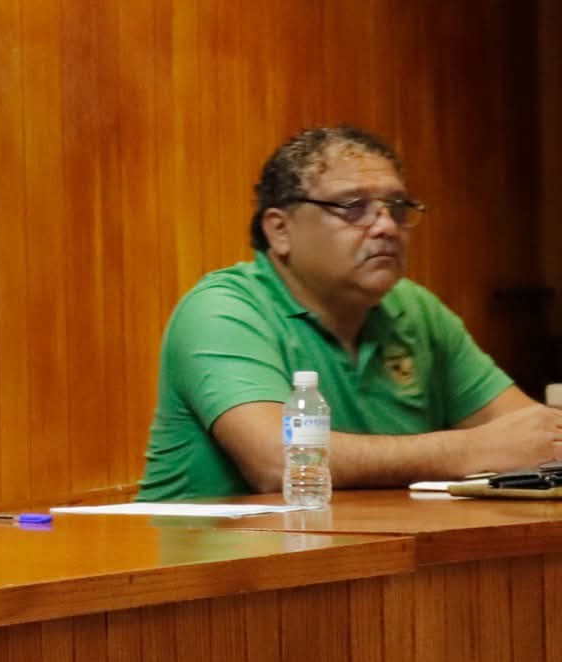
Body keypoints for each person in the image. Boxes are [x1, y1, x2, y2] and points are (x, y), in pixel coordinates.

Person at [139, 125, 562, 499]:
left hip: (370, 549)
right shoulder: (224, 309)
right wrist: (471, 449)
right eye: (352, 207)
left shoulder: (415, 309)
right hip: (214, 559)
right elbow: (280, 461)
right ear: (280, 230)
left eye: (397, 207)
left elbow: (532, 435)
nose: (386, 227)